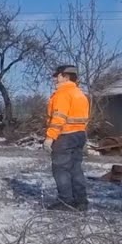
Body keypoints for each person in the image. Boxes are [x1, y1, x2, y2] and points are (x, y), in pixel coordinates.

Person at [43, 65, 90, 211]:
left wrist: (50, 137)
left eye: (57, 75)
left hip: (64, 136)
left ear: (66, 77)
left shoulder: (62, 94)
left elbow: (59, 117)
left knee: (61, 169)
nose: (54, 78)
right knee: (75, 168)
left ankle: (65, 201)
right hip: (79, 135)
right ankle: (81, 201)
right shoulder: (80, 94)